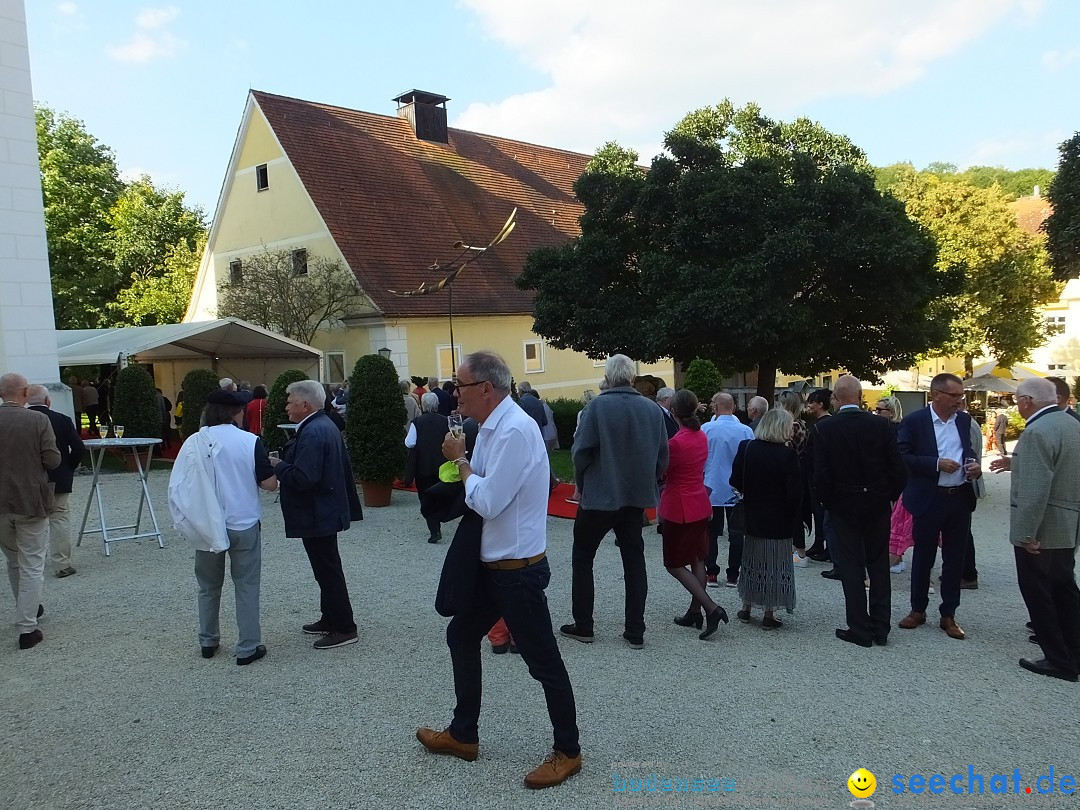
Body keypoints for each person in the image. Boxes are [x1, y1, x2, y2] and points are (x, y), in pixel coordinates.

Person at [416, 351, 581, 790]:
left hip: (518, 571)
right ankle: (463, 734)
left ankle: (569, 750)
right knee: (460, 634)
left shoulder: (513, 431)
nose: (455, 393)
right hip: (495, 564)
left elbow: (487, 500)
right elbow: (480, 488)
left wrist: (463, 461)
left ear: (486, 388)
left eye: (461, 385)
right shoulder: (491, 427)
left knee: (543, 661)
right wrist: (461, 462)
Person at [560, 354, 669, 649]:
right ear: (631, 376)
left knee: (583, 558)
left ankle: (584, 624)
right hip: (634, 498)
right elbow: (662, 456)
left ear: (608, 377)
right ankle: (635, 629)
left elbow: (580, 452)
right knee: (634, 562)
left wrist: (582, 483)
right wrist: (647, 481)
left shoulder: (597, 407)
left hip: (599, 496)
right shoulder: (652, 410)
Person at [990, 377, 1080, 681]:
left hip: (1042, 529)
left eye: (1018, 400)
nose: (1017, 406)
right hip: (1068, 524)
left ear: (1027, 401)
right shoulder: (1072, 425)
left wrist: (1027, 532)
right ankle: (1073, 653)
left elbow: (1034, 489)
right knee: (1065, 590)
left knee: (1039, 593)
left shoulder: (1037, 431)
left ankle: (1058, 660)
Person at [812, 376, 906, 647]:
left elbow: (821, 475)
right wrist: (889, 496)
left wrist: (828, 502)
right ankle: (881, 626)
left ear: (835, 399)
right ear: (861, 395)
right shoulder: (883, 425)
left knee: (852, 567)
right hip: (876, 502)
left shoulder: (824, 429)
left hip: (843, 505)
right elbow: (897, 468)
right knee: (878, 565)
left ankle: (859, 627)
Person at [270, 379, 362, 650]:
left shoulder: (313, 431)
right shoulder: (323, 425)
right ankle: (330, 617)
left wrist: (279, 466)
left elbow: (305, 477)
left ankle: (345, 627)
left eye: (290, 401)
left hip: (318, 511)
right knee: (325, 569)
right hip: (324, 509)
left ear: (305, 404)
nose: (286, 406)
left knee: (328, 570)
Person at [186, 389, 277, 665]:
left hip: (207, 522)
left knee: (208, 585)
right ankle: (248, 646)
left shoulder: (194, 442)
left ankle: (208, 640)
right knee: (247, 585)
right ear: (237, 413)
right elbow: (268, 484)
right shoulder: (250, 441)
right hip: (243, 521)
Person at [896, 372, 980, 640]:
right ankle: (917, 609)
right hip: (929, 497)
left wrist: (973, 465)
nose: (959, 401)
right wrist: (935, 463)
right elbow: (902, 455)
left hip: (958, 497)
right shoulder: (915, 421)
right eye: (954, 395)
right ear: (936, 395)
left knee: (955, 557)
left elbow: (968, 450)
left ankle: (949, 614)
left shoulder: (964, 420)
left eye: (961, 395)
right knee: (923, 556)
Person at [661, 389, 729, 639]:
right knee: (698, 559)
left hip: (679, 507)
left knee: (674, 563)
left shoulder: (675, 443)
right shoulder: (701, 435)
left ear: (673, 412)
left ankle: (710, 608)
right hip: (700, 503)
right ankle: (694, 610)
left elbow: (663, 472)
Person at [0, 373, 61, 649]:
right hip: (30, 500)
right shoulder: (38, 420)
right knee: (33, 563)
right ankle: (27, 626)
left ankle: (28, 609)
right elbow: (52, 459)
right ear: (25, 393)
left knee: (13, 560)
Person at [729, 410, 800, 629]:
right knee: (776, 564)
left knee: (751, 561)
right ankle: (770, 612)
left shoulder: (747, 447)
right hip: (778, 518)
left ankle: (746, 606)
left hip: (752, 515)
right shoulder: (787, 455)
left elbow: (735, 480)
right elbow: (794, 493)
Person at [27, 385, 85, 578]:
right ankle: (61, 564)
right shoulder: (61, 419)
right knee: (59, 519)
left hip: (27, 479)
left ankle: (29, 563)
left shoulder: (20, 420)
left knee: (29, 521)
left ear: (28, 400)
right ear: (48, 400)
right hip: (58, 476)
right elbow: (78, 448)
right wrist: (69, 466)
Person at [701, 392, 753, 588]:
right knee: (737, 533)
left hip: (712, 485)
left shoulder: (707, 428)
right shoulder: (746, 430)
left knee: (711, 532)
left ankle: (711, 572)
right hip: (736, 487)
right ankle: (733, 574)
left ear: (716, 406)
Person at [405, 393, 449, 543]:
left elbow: (409, 443)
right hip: (442, 466)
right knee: (439, 495)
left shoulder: (417, 422)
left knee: (425, 498)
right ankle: (439, 518)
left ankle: (434, 528)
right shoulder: (445, 421)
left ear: (423, 405)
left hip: (423, 467)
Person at [777, 390, 812, 567]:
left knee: (794, 512)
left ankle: (800, 551)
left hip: (790, 471)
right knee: (796, 510)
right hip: (800, 470)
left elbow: (787, 448)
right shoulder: (801, 424)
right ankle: (796, 548)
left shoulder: (789, 425)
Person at [804, 388, 834, 566]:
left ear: (820, 404)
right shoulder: (830, 423)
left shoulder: (818, 427)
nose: (809, 406)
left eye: (811, 402)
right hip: (821, 472)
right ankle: (820, 543)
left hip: (817, 473)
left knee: (821, 511)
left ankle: (825, 545)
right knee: (820, 512)